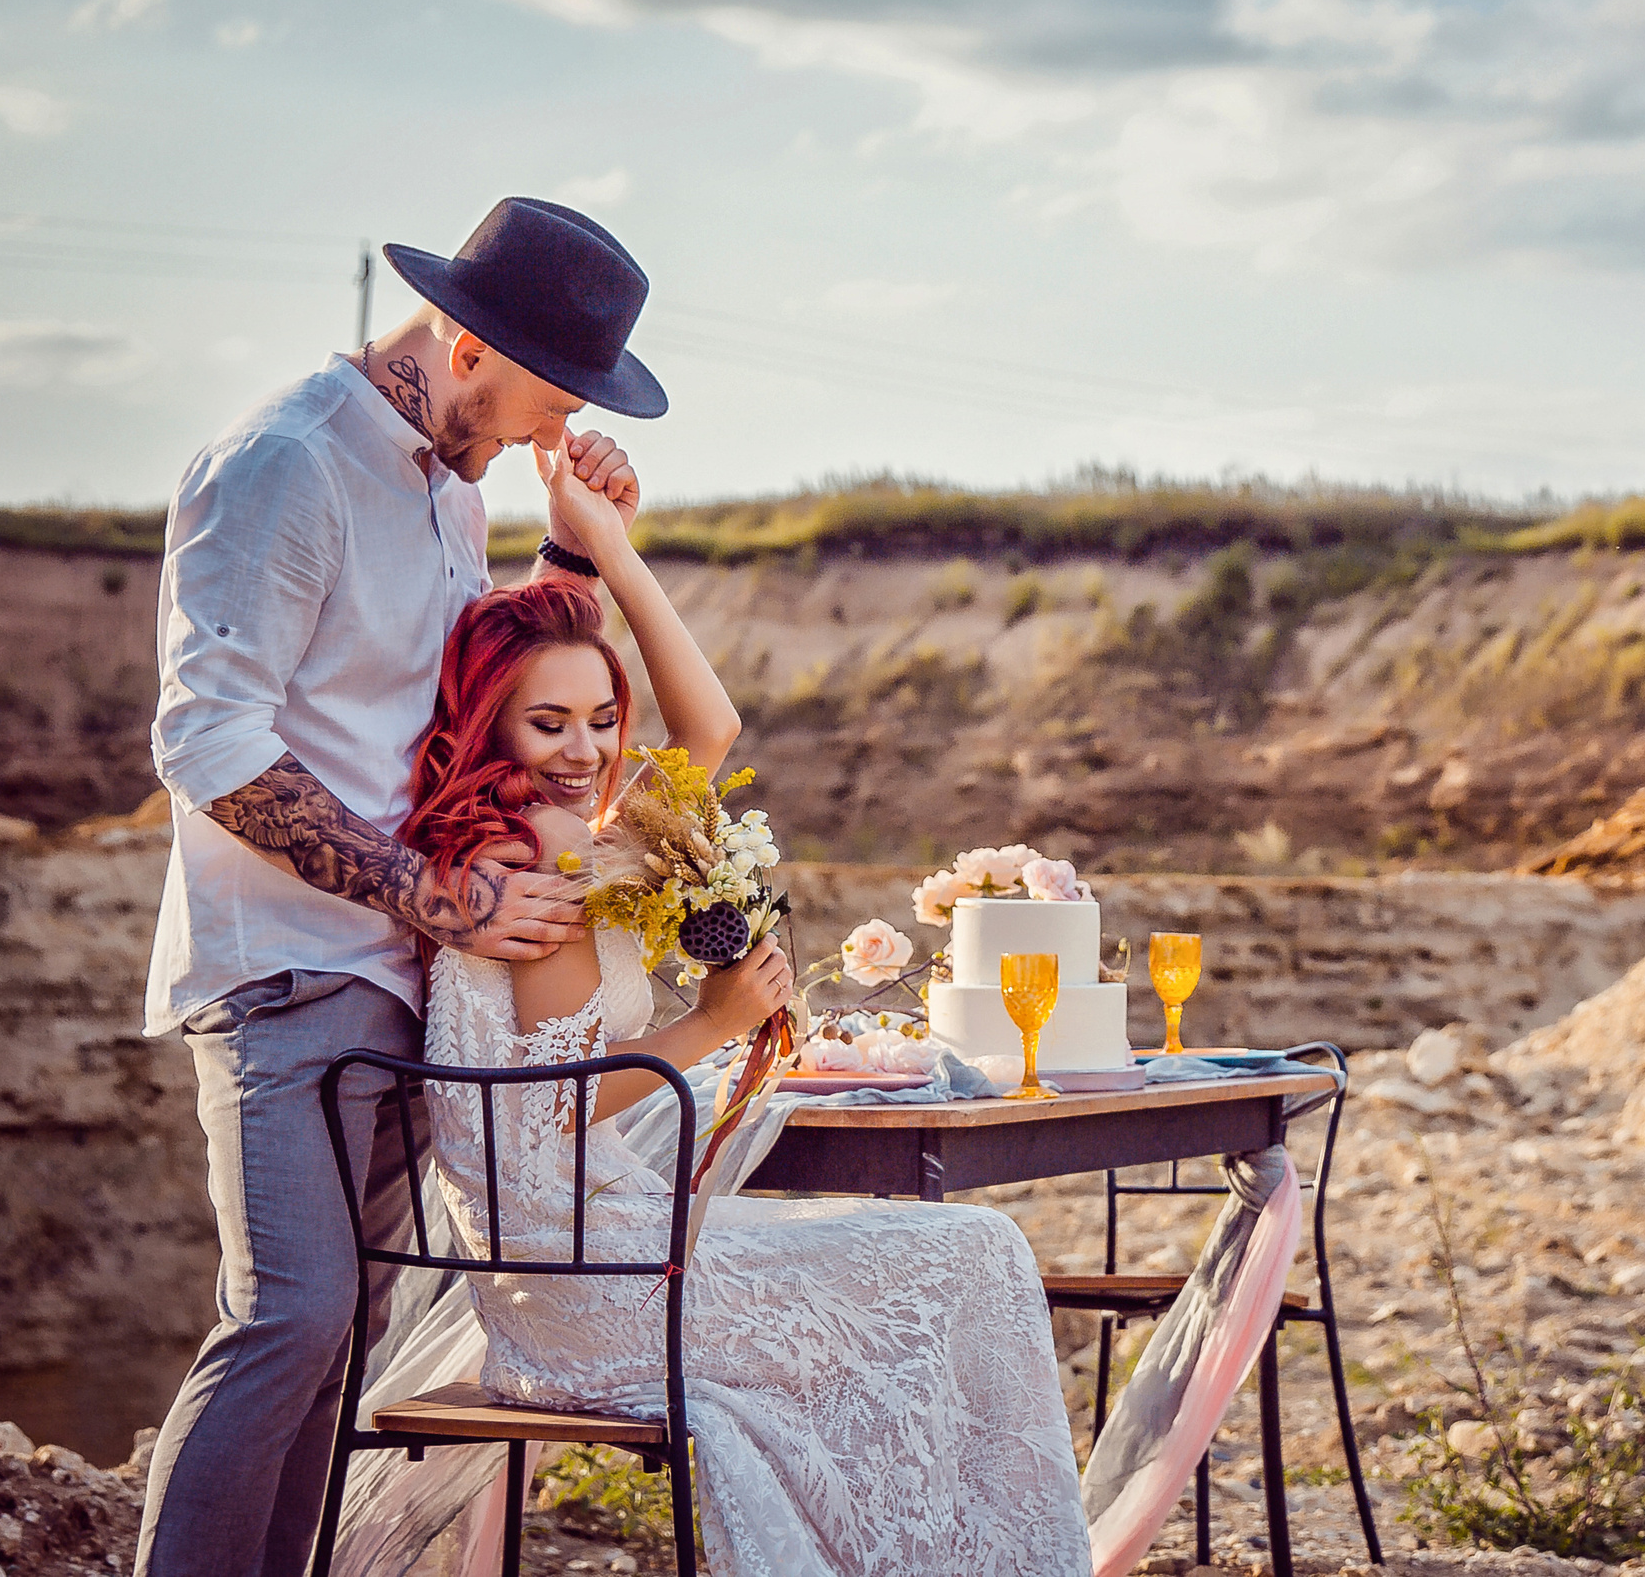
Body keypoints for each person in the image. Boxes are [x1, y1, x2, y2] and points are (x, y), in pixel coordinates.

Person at [403, 459, 1091, 1577]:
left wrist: (607, 546)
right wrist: (717, 1021)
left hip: (573, 1272)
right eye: (547, 724)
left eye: (599, 718)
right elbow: (547, 1114)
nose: (584, 752)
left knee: (955, 1258)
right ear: (490, 726)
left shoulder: (553, 830)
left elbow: (709, 728)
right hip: (593, 1290)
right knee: (970, 1251)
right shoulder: (538, 851)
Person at [138, 198, 669, 1577]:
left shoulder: (451, 483)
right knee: (288, 1318)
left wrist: (569, 536)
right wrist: (441, 897)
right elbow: (207, 742)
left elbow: (481, 696)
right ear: (465, 340)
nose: (550, 424)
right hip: (286, 970)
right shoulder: (284, 463)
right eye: (550, 396)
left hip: (399, 977)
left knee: (343, 1337)